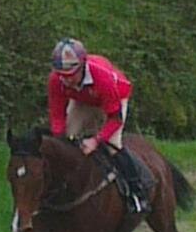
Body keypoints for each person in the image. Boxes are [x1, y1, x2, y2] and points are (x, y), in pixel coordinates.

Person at [48, 37, 150, 213]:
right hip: (83, 100)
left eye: (71, 75)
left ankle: (136, 192)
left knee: (112, 145)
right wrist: (59, 139)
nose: (66, 81)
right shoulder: (55, 80)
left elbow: (115, 118)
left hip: (114, 100)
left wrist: (96, 140)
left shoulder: (101, 77)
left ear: (82, 66)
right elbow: (57, 116)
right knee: (66, 143)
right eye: (61, 75)